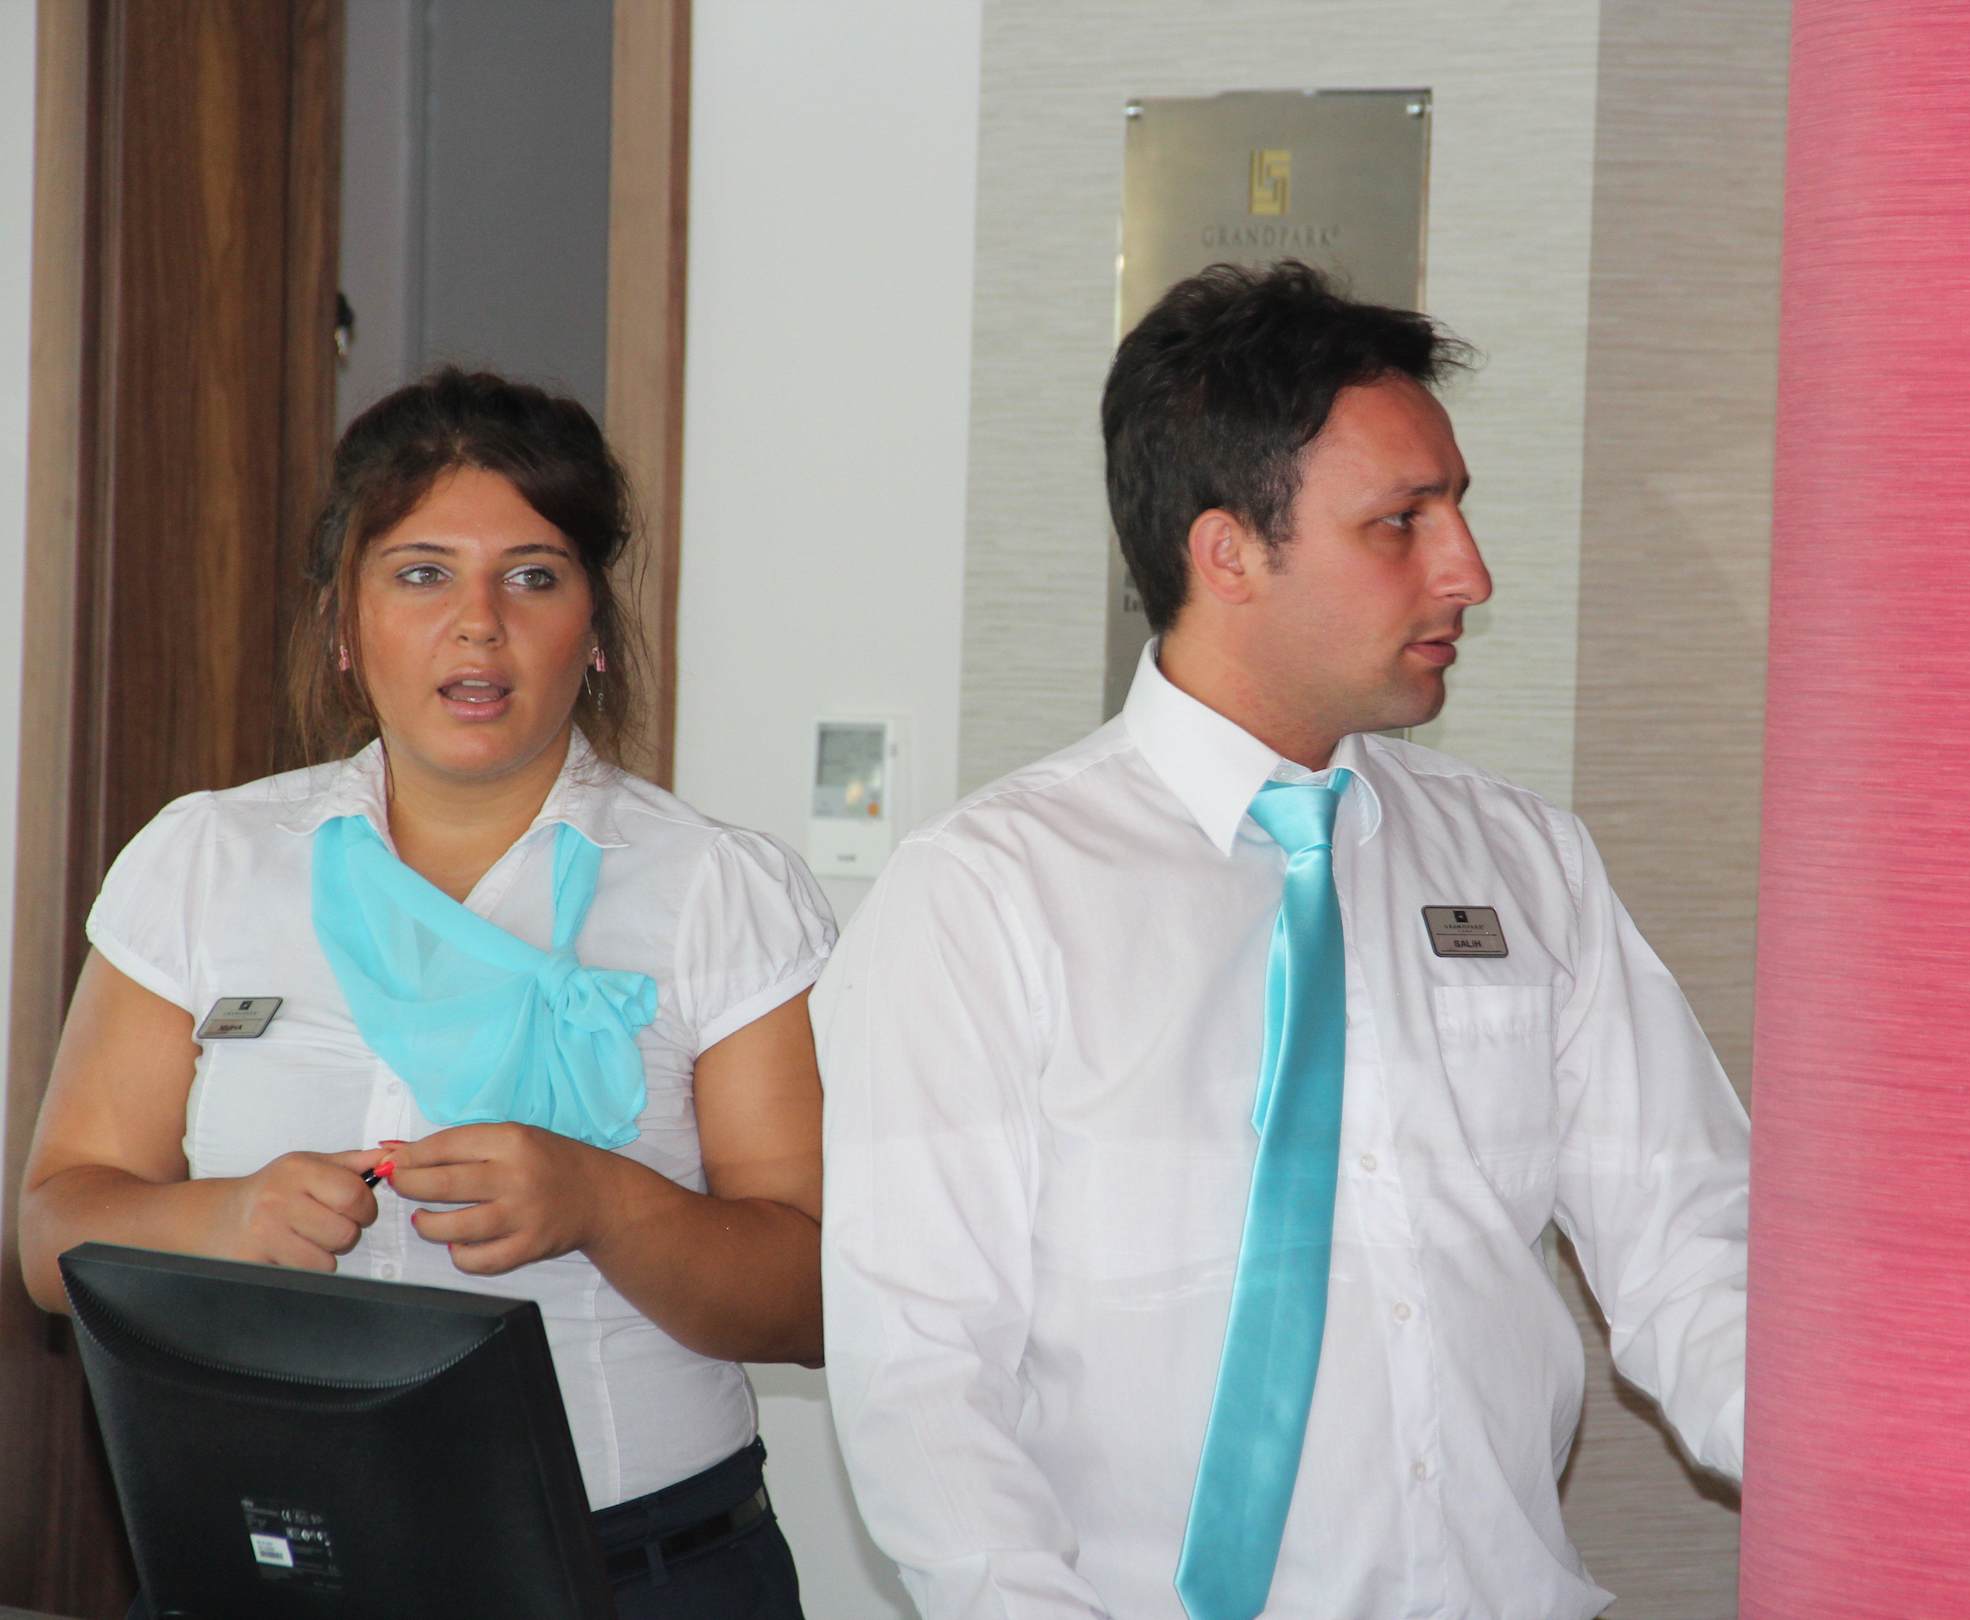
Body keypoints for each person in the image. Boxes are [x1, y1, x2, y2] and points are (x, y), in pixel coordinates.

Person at [816, 261, 1750, 1620]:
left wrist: (1904, 1471)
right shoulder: (985, 895)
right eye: (1400, 523)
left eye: (1457, 508)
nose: (1468, 572)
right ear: (1228, 554)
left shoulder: (1523, 861)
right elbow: (922, 1377)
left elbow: (1691, 1244)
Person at [18, 369, 831, 1619]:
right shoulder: (204, 858)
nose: (478, 625)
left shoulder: (722, 889)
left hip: (636, 1572)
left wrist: (605, 1203)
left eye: (533, 576)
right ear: (345, 627)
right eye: (421, 573)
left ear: (595, 627)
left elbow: (815, 1295)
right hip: (270, 1554)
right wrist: (226, 1219)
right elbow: (52, 1235)